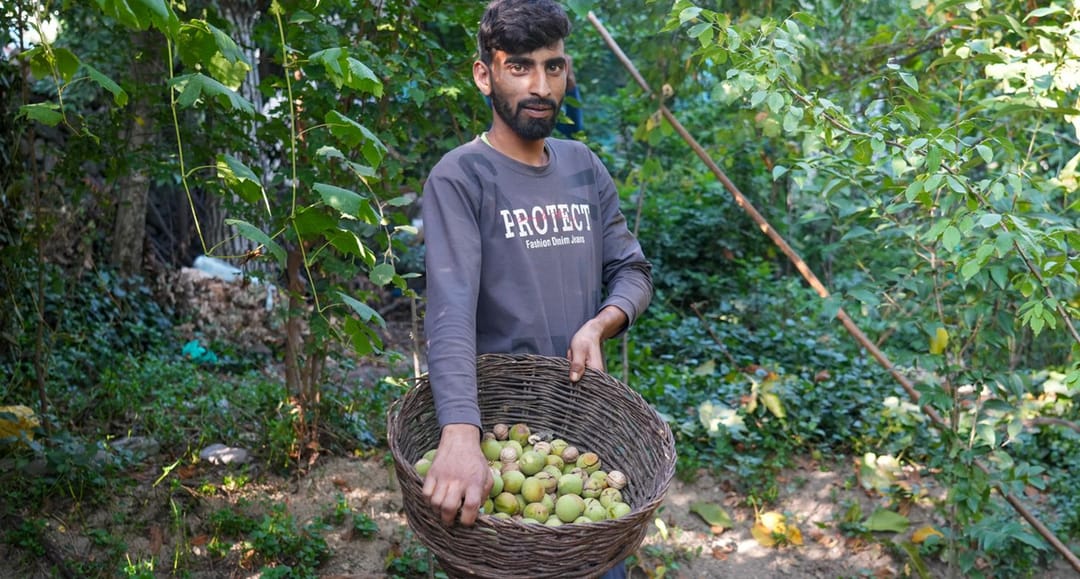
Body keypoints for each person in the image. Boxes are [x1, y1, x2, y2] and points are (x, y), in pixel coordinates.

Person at [419, 0, 652, 576]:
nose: (541, 85)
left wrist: (602, 322)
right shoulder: (461, 177)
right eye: (519, 66)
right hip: (501, 438)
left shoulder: (583, 167)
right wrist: (459, 435)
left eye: (553, 67)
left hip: (581, 439)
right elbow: (449, 310)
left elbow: (633, 271)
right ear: (485, 74)